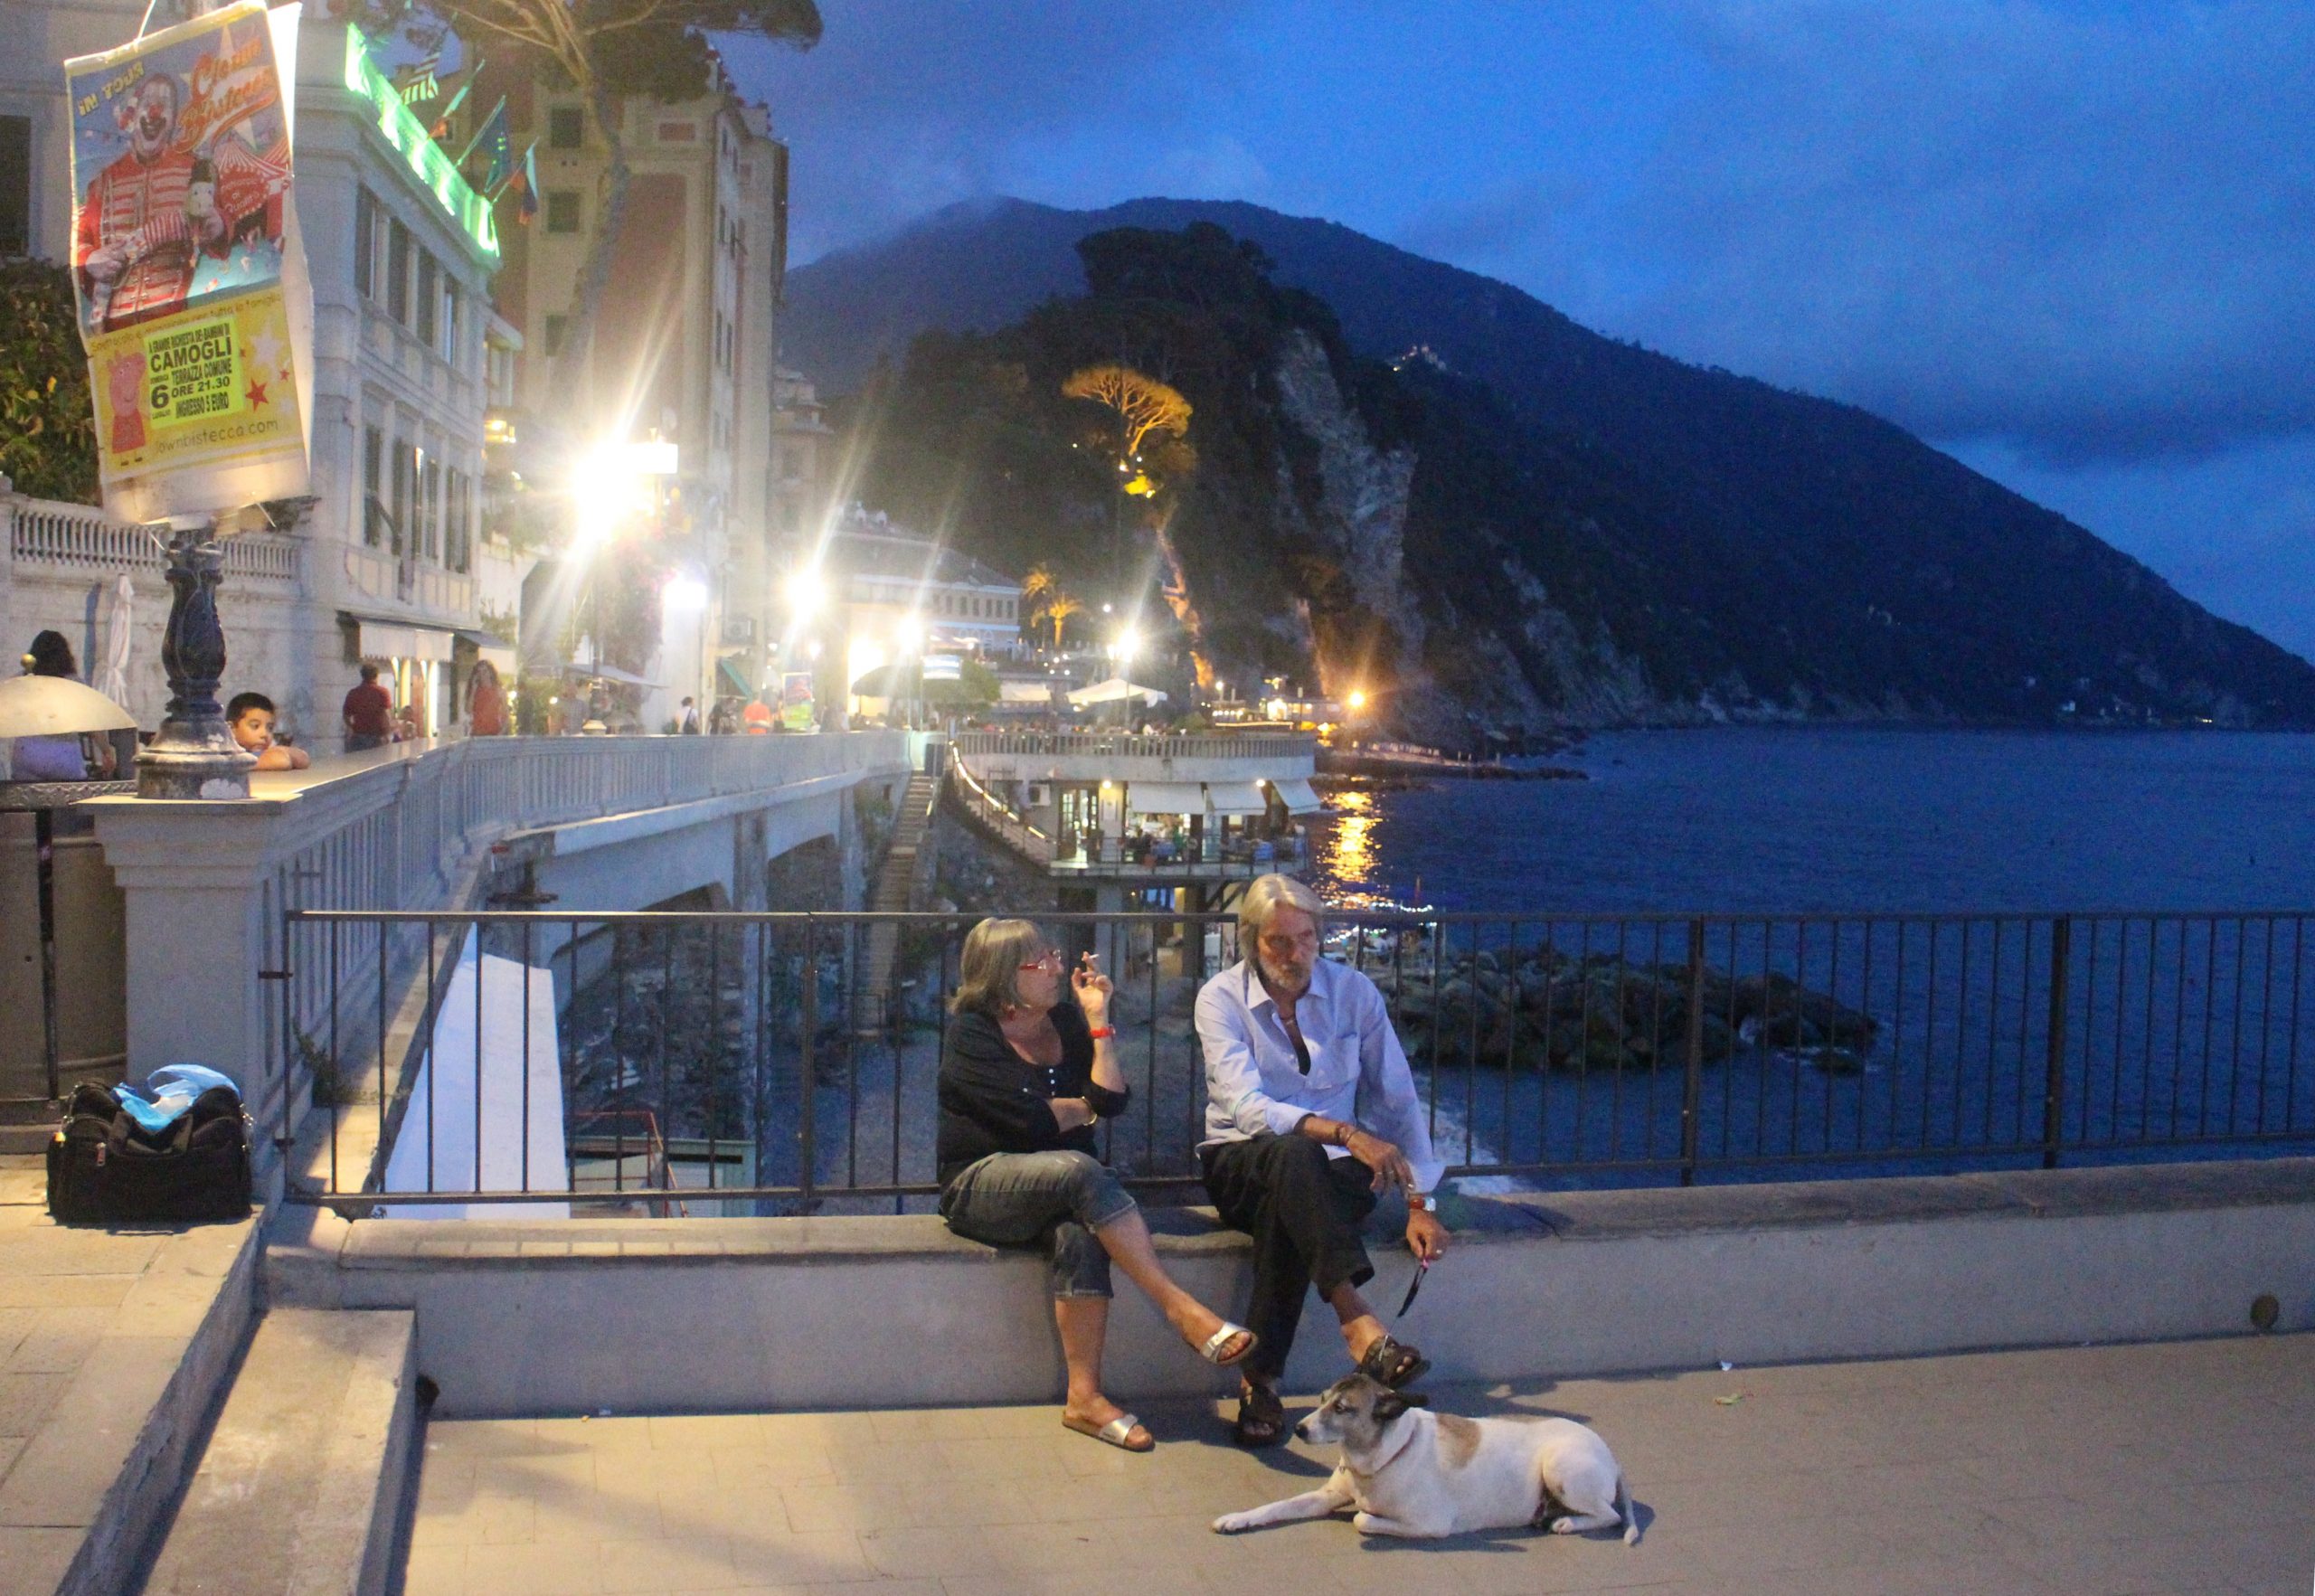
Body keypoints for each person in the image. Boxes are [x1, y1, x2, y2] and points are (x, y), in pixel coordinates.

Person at [938, 918, 1257, 1452]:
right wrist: (1077, 1109)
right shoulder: (971, 1034)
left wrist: (1098, 1021)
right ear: (1002, 973)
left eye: (1055, 955)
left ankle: (1083, 1398)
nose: (1058, 967)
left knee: (1080, 1235)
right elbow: (1026, 1121)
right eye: (1042, 961)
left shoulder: (1065, 1021)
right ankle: (1179, 1309)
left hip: (1062, 1184)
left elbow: (1110, 1101)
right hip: (981, 1183)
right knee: (1080, 1169)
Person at [1195, 873, 1449, 1447]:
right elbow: (1246, 1107)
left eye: (1306, 938)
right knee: (1294, 1156)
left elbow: (1397, 1099)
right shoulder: (1221, 999)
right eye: (1279, 942)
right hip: (1241, 1161)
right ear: (1251, 941)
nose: (1296, 953)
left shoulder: (1353, 993)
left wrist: (1421, 1203)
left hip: (1330, 1176)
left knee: (1292, 1198)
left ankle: (1260, 1380)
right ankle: (1357, 1321)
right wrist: (1344, 1132)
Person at [10, 632, 109, 780]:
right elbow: (94, 724)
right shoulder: (75, 685)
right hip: (64, 756)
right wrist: (106, 751)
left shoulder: (18, 682)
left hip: (27, 754)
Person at [225, 691, 309, 770]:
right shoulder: (226, 754)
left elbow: (304, 759)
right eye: (255, 726)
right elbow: (281, 761)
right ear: (231, 728)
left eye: (270, 728)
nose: (265, 734)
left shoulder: (263, 750)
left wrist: (281, 750)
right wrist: (280, 752)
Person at [342, 664, 393, 752]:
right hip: (377, 737)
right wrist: (388, 733)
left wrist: (352, 727)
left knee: (359, 760)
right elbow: (385, 715)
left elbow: (346, 715)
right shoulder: (382, 692)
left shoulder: (353, 693)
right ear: (376, 676)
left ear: (362, 676)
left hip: (358, 737)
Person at [466, 661, 507, 737]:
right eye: (479, 672)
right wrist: (473, 690)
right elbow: (468, 710)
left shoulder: (499, 690)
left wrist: (502, 732)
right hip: (477, 733)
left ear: (490, 672)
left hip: (494, 733)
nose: (482, 675)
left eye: (485, 671)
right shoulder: (475, 691)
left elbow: (505, 714)